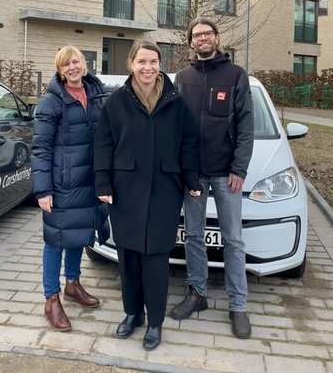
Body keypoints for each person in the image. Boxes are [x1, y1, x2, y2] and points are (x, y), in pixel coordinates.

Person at [95, 39, 201, 351]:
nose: (148, 67)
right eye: (142, 62)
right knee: (127, 256)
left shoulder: (174, 101)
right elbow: (102, 144)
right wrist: (102, 182)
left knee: (155, 259)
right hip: (125, 189)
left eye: (153, 62)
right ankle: (133, 314)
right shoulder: (116, 102)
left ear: (159, 65)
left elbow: (188, 143)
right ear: (131, 64)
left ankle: (155, 321)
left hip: (164, 190)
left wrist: (190, 177)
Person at [170, 18, 254, 339]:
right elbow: (177, 126)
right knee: (193, 235)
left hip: (226, 174)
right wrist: (184, 168)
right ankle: (197, 294)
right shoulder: (182, 78)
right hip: (194, 174)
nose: (202, 38)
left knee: (233, 240)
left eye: (207, 33)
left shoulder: (235, 76)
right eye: (197, 35)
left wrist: (240, 168)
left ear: (217, 38)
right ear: (191, 42)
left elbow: (246, 126)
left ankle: (238, 305)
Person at [32, 45, 106, 332]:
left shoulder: (96, 93)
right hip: (61, 184)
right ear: (60, 70)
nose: (72, 67)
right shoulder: (51, 101)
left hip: (88, 180)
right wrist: (42, 190)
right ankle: (51, 298)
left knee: (78, 234)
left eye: (75, 61)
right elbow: (40, 148)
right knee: (55, 241)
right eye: (65, 65)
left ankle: (73, 284)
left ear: (83, 64)